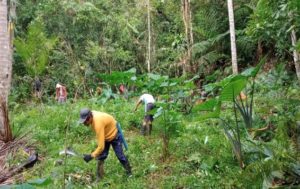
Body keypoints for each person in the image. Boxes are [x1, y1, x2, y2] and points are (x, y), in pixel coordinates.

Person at [78, 108, 132, 181]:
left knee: (120, 156)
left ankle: (129, 173)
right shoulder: (92, 115)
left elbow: (101, 147)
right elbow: (100, 139)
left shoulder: (98, 124)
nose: (85, 123)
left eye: (86, 121)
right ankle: (99, 177)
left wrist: (91, 156)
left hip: (114, 135)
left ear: (90, 117)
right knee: (101, 157)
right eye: (83, 122)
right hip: (105, 135)